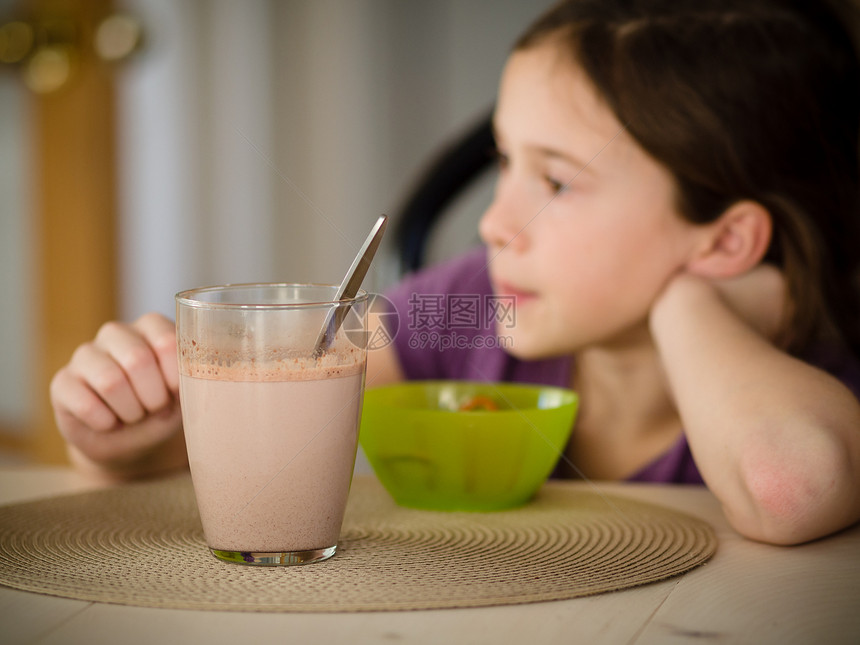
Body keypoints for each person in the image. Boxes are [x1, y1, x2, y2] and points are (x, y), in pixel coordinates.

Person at [50, 0, 860, 545]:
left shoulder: (812, 375)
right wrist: (122, 437)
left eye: (556, 182)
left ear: (724, 241)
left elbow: (791, 487)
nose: (492, 222)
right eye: (505, 161)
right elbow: (237, 445)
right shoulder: (474, 306)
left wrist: (690, 304)